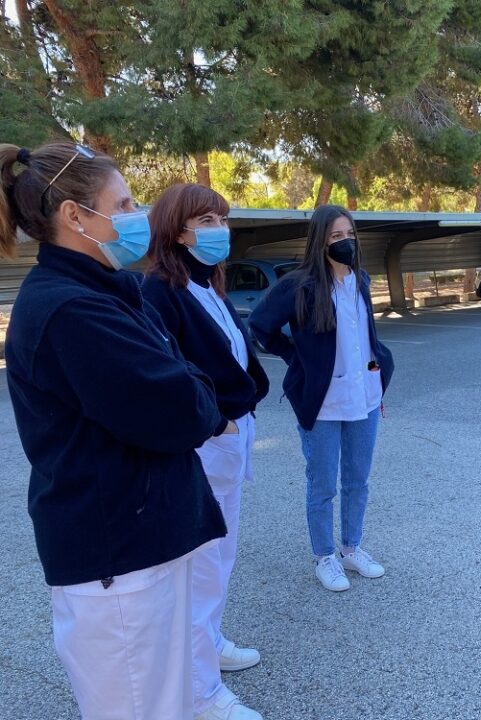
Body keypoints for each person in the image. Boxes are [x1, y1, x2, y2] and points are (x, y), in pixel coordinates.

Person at [1, 142, 227, 719]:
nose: (137, 214)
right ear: (75, 216)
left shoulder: (106, 293)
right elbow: (186, 409)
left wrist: (191, 383)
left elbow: (190, 383)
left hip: (144, 542)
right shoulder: (73, 310)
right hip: (119, 562)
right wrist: (193, 386)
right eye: (123, 202)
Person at [142, 184, 269, 720]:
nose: (218, 228)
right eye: (205, 219)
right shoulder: (159, 292)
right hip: (203, 447)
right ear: (177, 229)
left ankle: (209, 646)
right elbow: (168, 377)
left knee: (219, 560)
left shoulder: (208, 287)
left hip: (229, 445)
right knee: (196, 570)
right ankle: (199, 692)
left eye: (222, 217)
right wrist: (218, 423)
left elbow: (234, 358)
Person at [249, 205, 393, 592]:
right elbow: (260, 326)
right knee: (323, 483)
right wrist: (296, 356)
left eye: (349, 235)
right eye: (335, 237)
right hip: (324, 404)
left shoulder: (360, 279)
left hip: (365, 398)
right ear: (319, 242)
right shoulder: (299, 285)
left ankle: (351, 547)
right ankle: (325, 556)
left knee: (358, 480)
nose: (345, 242)